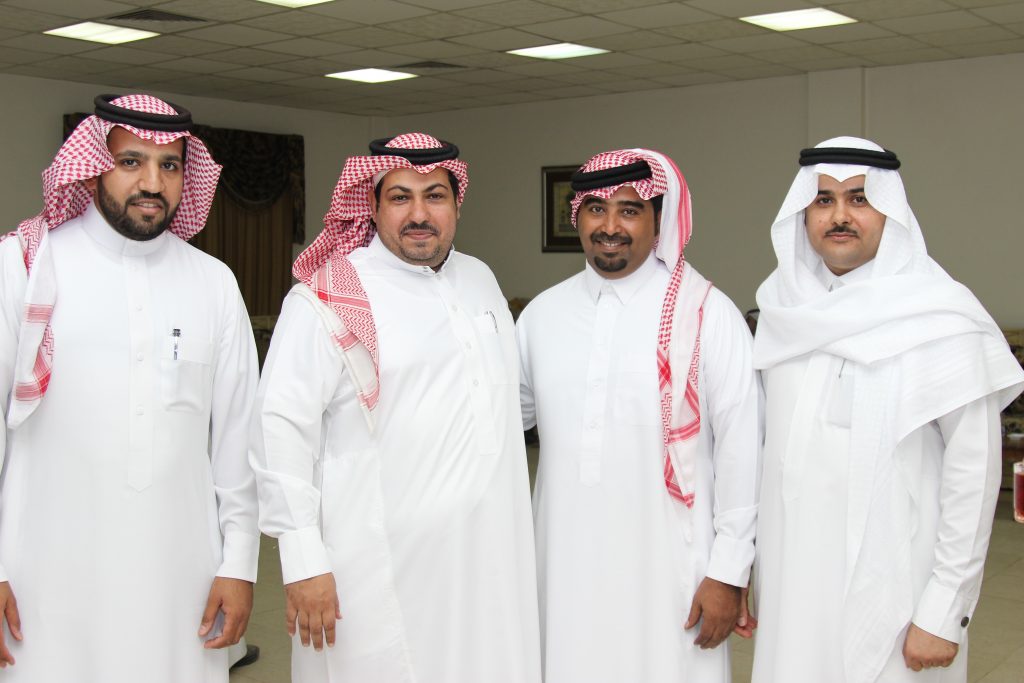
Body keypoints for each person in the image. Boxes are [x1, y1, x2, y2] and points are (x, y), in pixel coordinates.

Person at [250, 133, 541, 683]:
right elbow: (279, 427)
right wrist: (303, 559)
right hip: (377, 563)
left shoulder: (479, 279)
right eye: (400, 197)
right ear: (373, 204)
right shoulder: (327, 296)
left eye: (435, 196)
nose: (419, 214)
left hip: (489, 558)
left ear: (457, 204)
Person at [0, 94, 260, 682]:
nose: (152, 182)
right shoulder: (27, 266)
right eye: (131, 162)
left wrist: (240, 563)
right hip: (45, 576)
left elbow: (239, 438)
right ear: (94, 166)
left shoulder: (214, 283)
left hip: (181, 579)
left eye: (170, 165)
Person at [751, 137, 1024, 683]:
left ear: (890, 212)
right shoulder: (780, 312)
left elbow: (972, 475)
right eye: (823, 200)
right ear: (802, 213)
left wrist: (944, 609)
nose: (840, 215)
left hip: (901, 594)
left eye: (859, 198)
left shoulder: (941, 316)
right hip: (792, 592)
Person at [516, 148, 760, 683]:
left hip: (674, 571)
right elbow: (499, 427)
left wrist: (729, 572)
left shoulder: (707, 315)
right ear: (577, 216)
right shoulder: (540, 317)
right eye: (596, 209)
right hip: (564, 566)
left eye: (629, 210)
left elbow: (743, 450)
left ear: (658, 220)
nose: (610, 227)